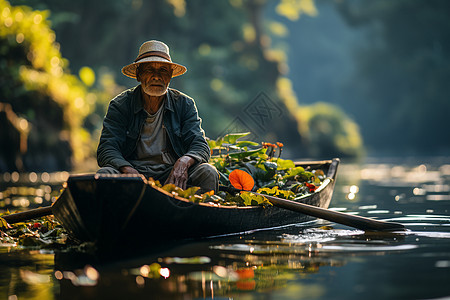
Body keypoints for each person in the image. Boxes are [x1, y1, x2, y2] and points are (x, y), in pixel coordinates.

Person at [96, 40, 218, 193]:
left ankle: (190, 215)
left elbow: (200, 145)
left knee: (208, 172)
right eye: (149, 70)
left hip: (171, 174)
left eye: (163, 70)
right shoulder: (121, 105)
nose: (156, 77)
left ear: (170, 76)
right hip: (131, 173)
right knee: (103, 175)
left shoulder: (184, 104)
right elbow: (107, 149)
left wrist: (183, 162)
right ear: (138, 75)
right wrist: (128, 170)